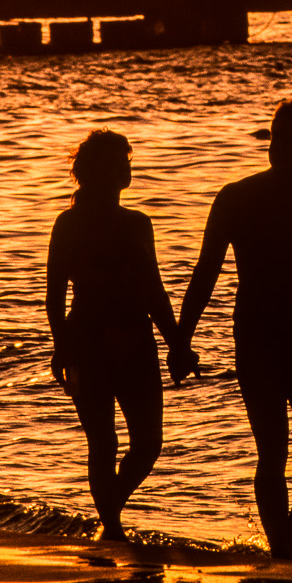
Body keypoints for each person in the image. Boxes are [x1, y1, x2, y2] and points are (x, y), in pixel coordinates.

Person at [177, 100, 292, 560]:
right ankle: (284, 549)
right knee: (273, 451)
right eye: (281, 136)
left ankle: (291, 529)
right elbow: (206, 270)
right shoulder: (236, 196)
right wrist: (182, 338)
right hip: (257, 334)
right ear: (271, 140)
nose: (288, 146)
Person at [46, 130, 195, 543]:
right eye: (119, 161)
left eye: (127, 161)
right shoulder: (69, 223)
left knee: (148, 444)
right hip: (87, 341)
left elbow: (154, 288)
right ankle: (111, 527)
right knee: (103, 441)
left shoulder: (137, 223)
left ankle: (108, 512)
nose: (127, 168)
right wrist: (61, 346)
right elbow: (55, 291)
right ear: (94, 171)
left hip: (137, 340)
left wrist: (177, 344)